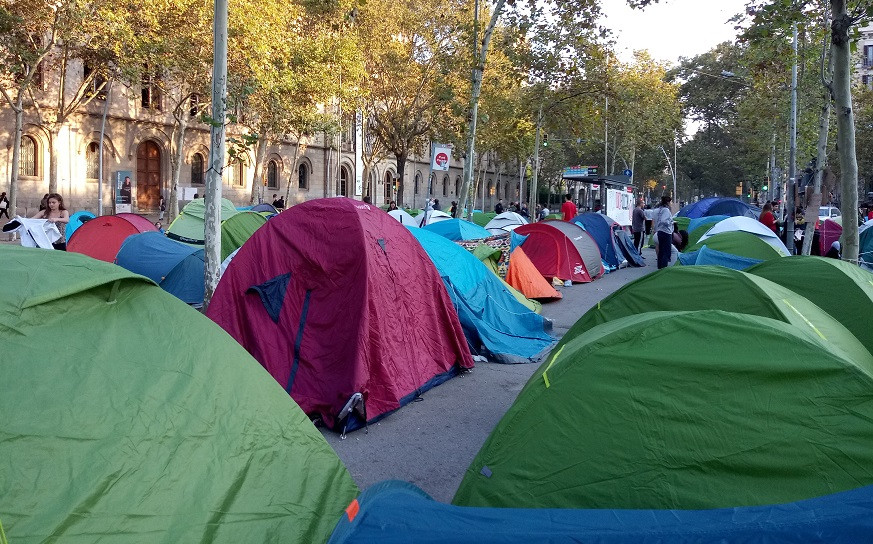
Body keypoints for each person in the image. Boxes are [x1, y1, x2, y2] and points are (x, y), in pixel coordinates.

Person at [654, 195, 674, 269]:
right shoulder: (666, 210)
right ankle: (664, 267)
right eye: (671, 201)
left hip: (659, 231)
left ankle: (660, 267)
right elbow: (664, 221)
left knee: (661, 251)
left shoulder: (658, 210)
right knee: (666, 251)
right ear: (668, 202)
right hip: (666, 232)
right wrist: (671, 222)